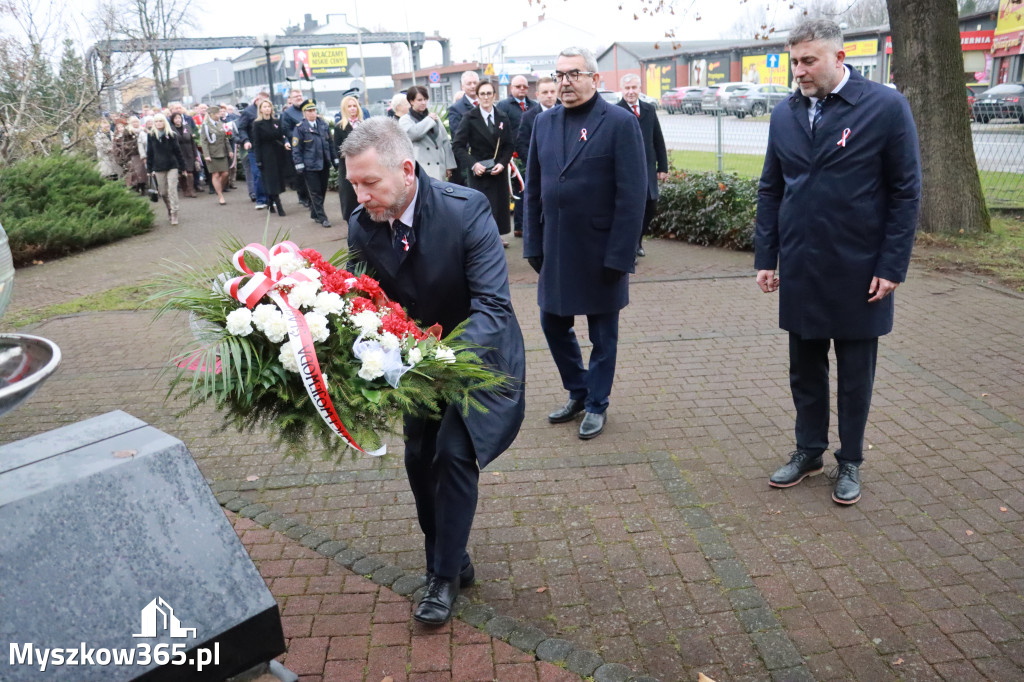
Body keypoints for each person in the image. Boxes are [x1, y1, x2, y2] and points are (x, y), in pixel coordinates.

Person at [342, 117, 525, 627]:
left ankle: (441, 576)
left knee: (452, 454)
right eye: (353, 182)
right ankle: (452, 552)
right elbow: (366, 305)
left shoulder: (467, 212)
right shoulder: (362, 224)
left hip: (478, 359)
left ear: (406, 169)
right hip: (410, 368)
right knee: (419, 458)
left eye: (370, 182)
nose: (360, 195)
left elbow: (493, 306)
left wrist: (430, 355)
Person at [755, 19, 921, 505]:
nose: (799, 71)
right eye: (795, 61)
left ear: (839, 58)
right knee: (804, 369)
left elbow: (906, 191)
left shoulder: (885, 107)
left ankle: (850, 460)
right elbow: (771, 187)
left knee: (854, 373)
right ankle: (809, 451)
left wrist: (891, 265)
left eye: (809, 61)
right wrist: (767, 255)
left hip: (859, 267)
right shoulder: (785, 113)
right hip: (802, 265)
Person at [523, 46, 647, 440]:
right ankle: (579, 391)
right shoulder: (544, 123)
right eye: (559, 75)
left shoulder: (619, 123)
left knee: (602, 335)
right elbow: (534, 189)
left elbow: (633, 195)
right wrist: (533, 243)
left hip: (601, 250)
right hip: (557, 248)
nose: (565, 82)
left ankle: (597, 403)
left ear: (595, 79)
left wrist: (621, 254)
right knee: (551, 323)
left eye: (573, 74)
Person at [452, 80, 514, 246]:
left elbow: (509, 145)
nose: (486, 97)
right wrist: (473, 164)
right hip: (479, 171)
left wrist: (502, 163)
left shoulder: (502, 116)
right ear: (477, 97)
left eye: (489, 93)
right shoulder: (469, 117)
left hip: (497, 170)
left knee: (499, 207)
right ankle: (483, 240)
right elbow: (458, 146)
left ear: (494, 95)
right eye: (482, 94)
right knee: (483, 207)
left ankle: (496, 237)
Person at [616, 73, 668, 260]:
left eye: (634, 88)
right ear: (622, 90)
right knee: (630, 209)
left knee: (650, 206)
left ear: (640, 88)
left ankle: (637, 241)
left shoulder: (649, 109)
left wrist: (663, 166)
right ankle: (629, 248)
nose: (631, 92)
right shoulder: (616, 111)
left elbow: (657, 139)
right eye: (627, 88)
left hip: (647, 168)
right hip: (626, 170)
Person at [496, 75, 536, 238]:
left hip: (531, 152)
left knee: (529, 190)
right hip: (512, 157)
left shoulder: (534, 106)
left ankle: (527, 224)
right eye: (518, 86)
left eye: (524, 87)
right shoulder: (503, 106)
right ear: (511, 88)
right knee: (518, 191)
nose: (522, 89)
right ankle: (519, 226)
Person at [291, 100, 339, 228]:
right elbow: (296, 148)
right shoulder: (300, 128)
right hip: (310, 166)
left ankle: (314, 212)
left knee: (322, 190)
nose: (312, 113)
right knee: (315, 192)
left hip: (324, 164)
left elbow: (330, 144)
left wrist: (335, 159)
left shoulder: (323, 125)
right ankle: (322, 217)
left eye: (314, 110)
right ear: (304, 113)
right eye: (309, 111)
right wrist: (299, 164)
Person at [399, 85, 457, 182]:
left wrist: (449, 165)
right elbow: (413, 134)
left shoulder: (434, 117)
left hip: (439, 168)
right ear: (411, 101)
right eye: (420, 100)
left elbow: (445, 141)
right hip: (421, 169)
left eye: (425, 99)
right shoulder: (405, 120)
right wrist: (429, 120)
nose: (423, 102)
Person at [251, 99, 295, 217]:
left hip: (278, 154)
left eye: (269, 106)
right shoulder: (257, 124)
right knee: (271, 181)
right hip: (266, 156)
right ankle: (279, 206)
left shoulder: (276, 121)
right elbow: (256, 143)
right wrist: (258, 160)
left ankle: (270, 202)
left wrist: (285, 143)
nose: (267, 109)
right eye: (264, 107)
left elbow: (281, 136)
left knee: (278, 180)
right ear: (260, 109)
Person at [145, 113, 186, 226]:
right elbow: (150, 153)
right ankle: (169, 208)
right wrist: (149, 169)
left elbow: (178, 152)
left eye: (160, 121)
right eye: (156, 121)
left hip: (172, 165)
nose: (158, 123)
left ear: (164, 122)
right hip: (158, 167)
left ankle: (174, 213)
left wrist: (182, 167)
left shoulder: (171, 135)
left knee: (172, 190)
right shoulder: (151, 135)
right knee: (163, 192)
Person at [515, 76, 559, 166]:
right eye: (545, 92)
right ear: (537, 95)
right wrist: (533, 165)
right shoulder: (528, 117)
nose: (549, 95)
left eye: (552, 92)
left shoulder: (567, 112)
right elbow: (522, 145)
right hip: (541, 169)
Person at [333, 95, 364, 220]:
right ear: (344, 109)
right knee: (349, 199)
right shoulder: (339, 127)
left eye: (354, 106)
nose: (352, 109)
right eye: (349, 106)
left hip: (364, 166)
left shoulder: (364, 124)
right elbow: (338, 150)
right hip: (348, 167)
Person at [237, 92, 270, 208]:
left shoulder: (268, 113)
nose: (266, 106)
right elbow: (241, 128)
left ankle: (270, 197)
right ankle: (260, 199)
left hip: (267, 147)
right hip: (253, 148)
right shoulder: (248, 112)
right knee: (257, 173)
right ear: (257, 100)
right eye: (263, 102)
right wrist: (245, 140)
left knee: (268, 173)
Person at [447, 71, 480, 186]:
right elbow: (458, 136)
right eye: (469, 83)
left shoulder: (486, 104)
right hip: (469, 161)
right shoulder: (456, 108)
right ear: (462, 86)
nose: (472, 86)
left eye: (475, 82)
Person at [281, 89, 311, 209]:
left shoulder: (307, 109)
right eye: (296, 96)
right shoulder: (288, 113)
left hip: (311, 145)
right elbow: (285, 129)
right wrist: (296, 138)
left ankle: (311, 195)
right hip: (298, 146)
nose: (299, 98)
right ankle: (303, 196)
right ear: (291, 99)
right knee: (300, 174)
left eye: (300, 95)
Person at [200, 104, 234, 205]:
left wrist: (230, 150)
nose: (220, 114)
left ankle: (219, 188)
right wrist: (206, 155)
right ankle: (220, 195)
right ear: (212, 114)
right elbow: (204, 141)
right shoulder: (205, 126)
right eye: (218, 113)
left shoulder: (220, 124)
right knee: (215, 174)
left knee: (225, 173)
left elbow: (225, 139)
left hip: (222, 152)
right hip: (212, 153)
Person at [170, 112, 199, 198]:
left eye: (179, 118)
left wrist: (196, 154)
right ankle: (185, 190)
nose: (178, 120)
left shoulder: (187, 127)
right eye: (175, 118)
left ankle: (191, 190)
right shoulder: (171, 130)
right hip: (178, 154)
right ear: (172, 120)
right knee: (181, 173)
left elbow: (192, 142)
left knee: (190, 173)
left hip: (189, 153)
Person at [118, 117, 148, 195]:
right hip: (133, 154)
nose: (135, 124)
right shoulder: (128, 131)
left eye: (137, 122)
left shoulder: (143, 130)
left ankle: (143, 187)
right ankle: (137, 187)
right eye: (133, 122)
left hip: (142, 153)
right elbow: (124, 144)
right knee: (136, 172)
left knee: (143, 172)